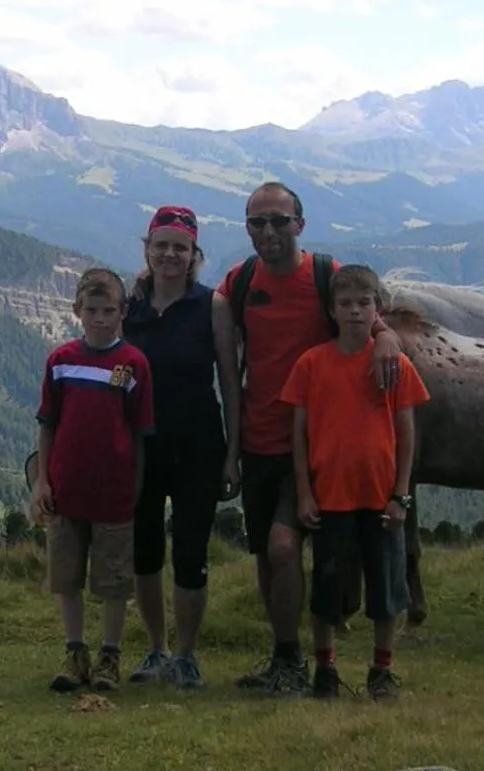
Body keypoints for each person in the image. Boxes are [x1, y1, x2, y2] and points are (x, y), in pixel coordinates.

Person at [216, 182, 402, 694]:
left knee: (286, 549)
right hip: (259, 440)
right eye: (257, 223)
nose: (268, 232)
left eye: (279, 221)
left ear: (300, 224)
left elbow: (369, 317)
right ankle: (288, 656)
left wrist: (386, 338)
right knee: (267, 556)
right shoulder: (240, 281)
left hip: (315, 445)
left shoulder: (326, 276)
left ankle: (304, 659)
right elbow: (227, 365)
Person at [285, 264, 430, 701]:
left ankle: (381, 670)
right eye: (344, 304)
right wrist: (305, 491)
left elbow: (407, 433)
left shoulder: (395, 365)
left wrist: (401, 494)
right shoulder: (312, 364)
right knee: (327, 585)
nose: (353, 312)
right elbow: (299, 434)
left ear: (377, 309)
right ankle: (325, 669)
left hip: (381, 496)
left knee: (386, 587)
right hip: (329, 496)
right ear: (331, 310)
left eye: (363, 304)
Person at [122, 205, 241, 689]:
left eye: (181, 247)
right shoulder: (129, 307)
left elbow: (231, 383)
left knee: (191, 552)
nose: (171, 254)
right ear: (148, 249)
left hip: (198, 444)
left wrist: (234, 453)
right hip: (141, 446)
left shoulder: (212, 306)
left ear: (194, 254)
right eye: (162, 245)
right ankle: (156, 648)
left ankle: (186, 654)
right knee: (144, 550)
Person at [32, 267, 155, 693]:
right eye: (92, 310)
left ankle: (110, 654)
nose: (101, 319)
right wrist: (42, 481)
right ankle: (75, 650)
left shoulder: (132, 364)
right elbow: (47, 424)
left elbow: (139, 430)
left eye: (109, 311)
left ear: (122, 311)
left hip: (115, 491)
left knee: (115, 579)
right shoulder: (61, 362)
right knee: (66, 575)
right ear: (77, 311)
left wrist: (136, 485)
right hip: (66, 489)